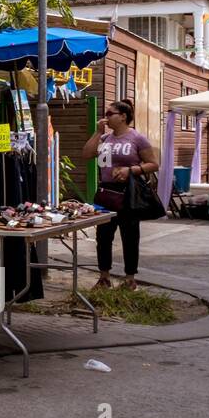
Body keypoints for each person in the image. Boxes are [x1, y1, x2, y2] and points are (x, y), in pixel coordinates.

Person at [82, 99, 158, 291]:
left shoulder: (137, 138)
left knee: (130, 236)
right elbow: (87, 154)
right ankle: (104, 276)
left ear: (123, 116)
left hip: (127, 194)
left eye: (110, 114)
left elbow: (153, 164)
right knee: (103, 237)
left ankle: (130, 278)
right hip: (106, 192)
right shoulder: (105, 138)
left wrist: (130, 170)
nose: (106, 117)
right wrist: (98, 132)